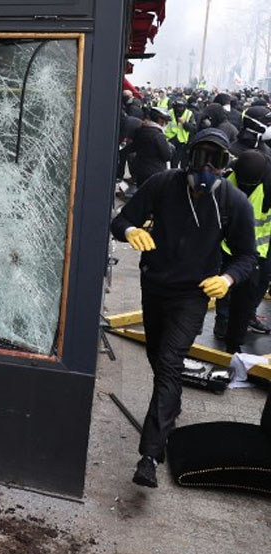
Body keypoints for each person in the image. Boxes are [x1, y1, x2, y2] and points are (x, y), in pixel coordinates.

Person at [110, 128, 257, 489]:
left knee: (170, 363)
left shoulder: (234, 203)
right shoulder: (162, 184)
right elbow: (120, 219)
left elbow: (247, 255)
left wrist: (227, 280)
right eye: (200, 158)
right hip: (155, 286)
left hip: (193, 294)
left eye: (216, 161)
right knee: (160, 360)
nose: (205, 169)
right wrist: (129, 231)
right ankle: (169, 407)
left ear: (226, 166)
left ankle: (149, 455)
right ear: (187, 158)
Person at [215, 150, 271, 348]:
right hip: (229, 246)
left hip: (258, 250)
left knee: (250, 292)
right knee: (225, 285)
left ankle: (243, 320)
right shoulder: (229, 178)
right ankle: (223, 323)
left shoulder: (268, 186)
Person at [128, 106, 173, 190]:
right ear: (160, 120)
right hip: (155, 172)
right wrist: (170, 148)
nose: (166, 124)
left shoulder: (141, 130)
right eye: (165, 121)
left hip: (140, 169)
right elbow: (167, 156)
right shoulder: (158, 135)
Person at [165, 98, 196, 168]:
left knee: (178, 162)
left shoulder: (189, 114)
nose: (179, 109)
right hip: (170, 139)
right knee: (170, 160)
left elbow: (193, 129)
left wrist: (185, 123)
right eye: (178, 107)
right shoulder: (169, 113)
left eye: (181, 107)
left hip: (182, 141)